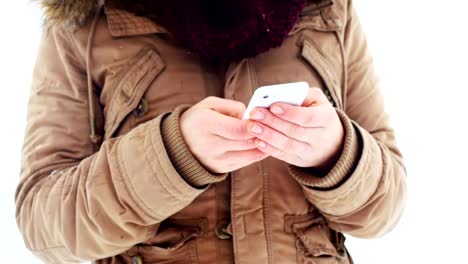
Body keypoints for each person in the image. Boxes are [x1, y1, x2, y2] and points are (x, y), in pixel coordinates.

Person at [15, 0, 407, 263]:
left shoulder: (330, 11)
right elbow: (42, 218)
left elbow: (384, 210)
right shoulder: (85, 23)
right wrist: (170, 158)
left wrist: (338, 154)